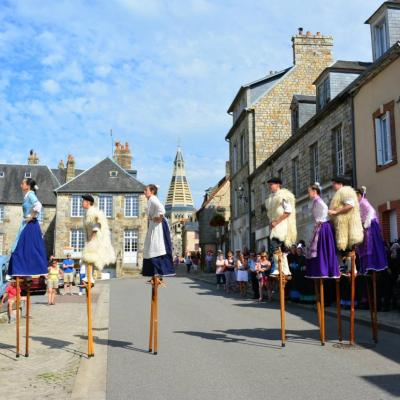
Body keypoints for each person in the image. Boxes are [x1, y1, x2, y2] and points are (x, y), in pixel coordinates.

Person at [8, 178, 47, 277]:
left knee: (23, 248)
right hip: (27, 224)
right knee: (22, 248)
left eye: (23, 184)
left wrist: (31, 217)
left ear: (28, 186)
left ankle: (25, 271)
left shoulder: (30, 194)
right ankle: (23, 271)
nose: (21, 185)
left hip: (30, 224)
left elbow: (38, 205)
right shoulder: (27, 195)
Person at [305, 183, 339, 279]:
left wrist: (321, 221)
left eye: (309, 192)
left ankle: (324, 270)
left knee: (322, 249)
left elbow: (324, 210)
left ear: (314, 191)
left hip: (323, 227)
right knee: (318, 250)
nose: (308, 194)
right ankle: (319, 270)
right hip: (320, 226)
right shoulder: (316, 201)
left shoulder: (319, 202)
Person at [265, 177, 296, 276]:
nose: (270, 186)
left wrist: (277, 221)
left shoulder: (282, 196)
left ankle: (279, 268)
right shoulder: (271, 198)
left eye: (272, 184)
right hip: (274, 226)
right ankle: (285, 270)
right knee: (280, 250)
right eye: (269, 184)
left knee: (275, 247)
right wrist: (271, 223)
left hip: (281, 226)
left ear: (278, 185)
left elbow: (288, 211)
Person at [142, 185, 175, 277]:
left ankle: (159, 271)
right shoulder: (150, 200)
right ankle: (155, 271)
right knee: (152, 245)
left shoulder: (153, 199)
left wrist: (159, 218)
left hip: (158, 225)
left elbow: (161, 209)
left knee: (157, 245)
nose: (144, 192)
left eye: (146, 190)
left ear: (152, 191)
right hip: (154, 224)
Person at [355, 187, 388, 275]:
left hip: (370, 227)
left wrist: (365, 225)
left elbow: (371, 211)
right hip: (367, 226)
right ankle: (368, 267)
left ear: (359, 195)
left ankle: (371, 265)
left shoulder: (363, 202)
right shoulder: (360, 203)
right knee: (366, 247)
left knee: (370, 247)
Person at [81, 194, 116, 277]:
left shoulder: (93, 212)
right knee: (88, 260)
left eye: (83, 201)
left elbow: (98, 223)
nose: (82, 203)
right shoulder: (87, 213)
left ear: (88, 202)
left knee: (91, 258)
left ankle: (90, 279)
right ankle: (89, 278)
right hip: (90, 239)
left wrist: (92, 238)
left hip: (95, 240)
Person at [328, 176, 363, 255]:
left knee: (349, 254)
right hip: (343, 229)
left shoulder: (344, 191)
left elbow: (350, 205)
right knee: (346, 255)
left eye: (334, 184)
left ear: (340, 184)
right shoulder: (341, 192)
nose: (333, 185)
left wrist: (335, 212)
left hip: (347, 229)